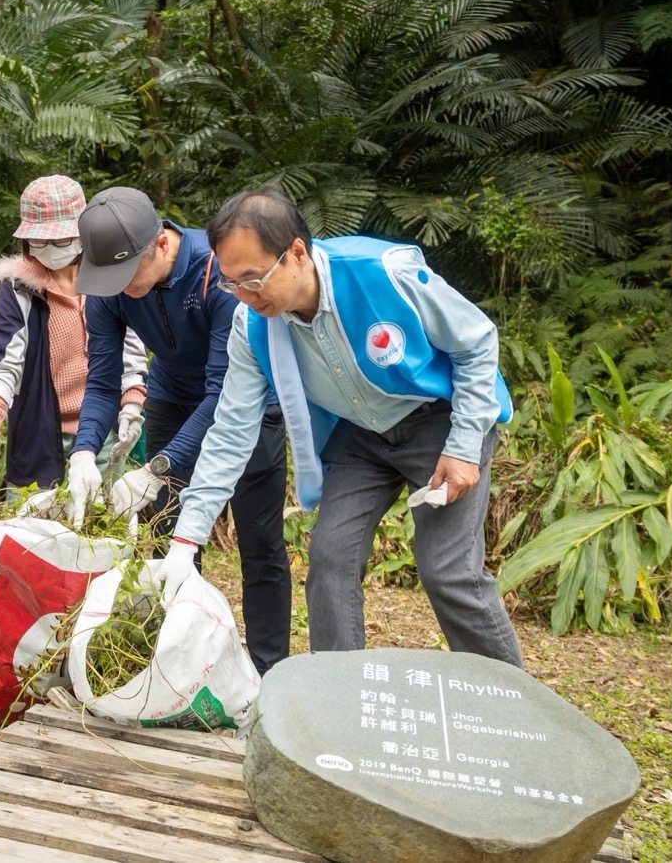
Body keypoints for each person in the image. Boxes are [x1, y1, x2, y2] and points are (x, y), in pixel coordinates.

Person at [163, 188, 522, 668]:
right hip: (359, 437)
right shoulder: (252, 327)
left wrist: (462, 446)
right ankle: (340, 697)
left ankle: (509, 702)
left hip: (439, 420)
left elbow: (476, 341)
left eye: (253, 279)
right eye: (231, 284)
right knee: (329, 560)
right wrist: (186, 540)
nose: (244, 297)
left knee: (448, 572)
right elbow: (232, 430)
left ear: (296, 252)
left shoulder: (383, 273)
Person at [67, 186, 293, 674]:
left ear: (162, 245)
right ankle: (168, 660)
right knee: (164, 533)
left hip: (248, 403)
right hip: (170, 398)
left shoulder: (218, 273)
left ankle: (268, 671)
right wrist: (84, 451)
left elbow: (223, 394)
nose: (123, 288)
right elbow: (104, 381)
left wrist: (156, 466)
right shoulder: (113, 291)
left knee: (260, 541)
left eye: (128, 276)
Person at [0, 175, 148, 489]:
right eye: (39, 241)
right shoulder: (19, 288)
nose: (49, 249)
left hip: (105, 433)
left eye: (59, 240)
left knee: (103, 527)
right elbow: (3, 363)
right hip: (39, 435)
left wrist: (132, 403)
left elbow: (131, 349)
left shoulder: (111, 279)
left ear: (83, 234)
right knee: (33, 530)